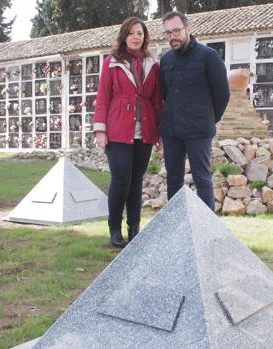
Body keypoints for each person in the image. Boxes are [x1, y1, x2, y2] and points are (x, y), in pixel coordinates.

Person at [94, 17, 162, 248]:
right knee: (121, 177)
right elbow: (103, 97)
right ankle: (115, 229)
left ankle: (135, 229)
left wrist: (160, 133)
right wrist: (100, 130)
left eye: (140, 33)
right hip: (118, 129)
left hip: (145, 129)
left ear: (145, 38)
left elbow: (156, 99)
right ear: (124, 36)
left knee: (136, 181)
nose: (136, 37)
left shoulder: (152, 63)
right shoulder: (112, 62)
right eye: (132, 33)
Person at [159, 11, 230, 210]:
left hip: (199, 130)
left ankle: (207, 231)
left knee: (202, 177)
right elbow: (165, 94)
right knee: (173, 178)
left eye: (176, 31)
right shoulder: (166, 61)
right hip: (172, 130)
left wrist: (208, 120)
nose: (172, 36)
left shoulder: (209, 57)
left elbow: (222, 95)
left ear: (188, 29)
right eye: (167, 33)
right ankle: (176, 225)